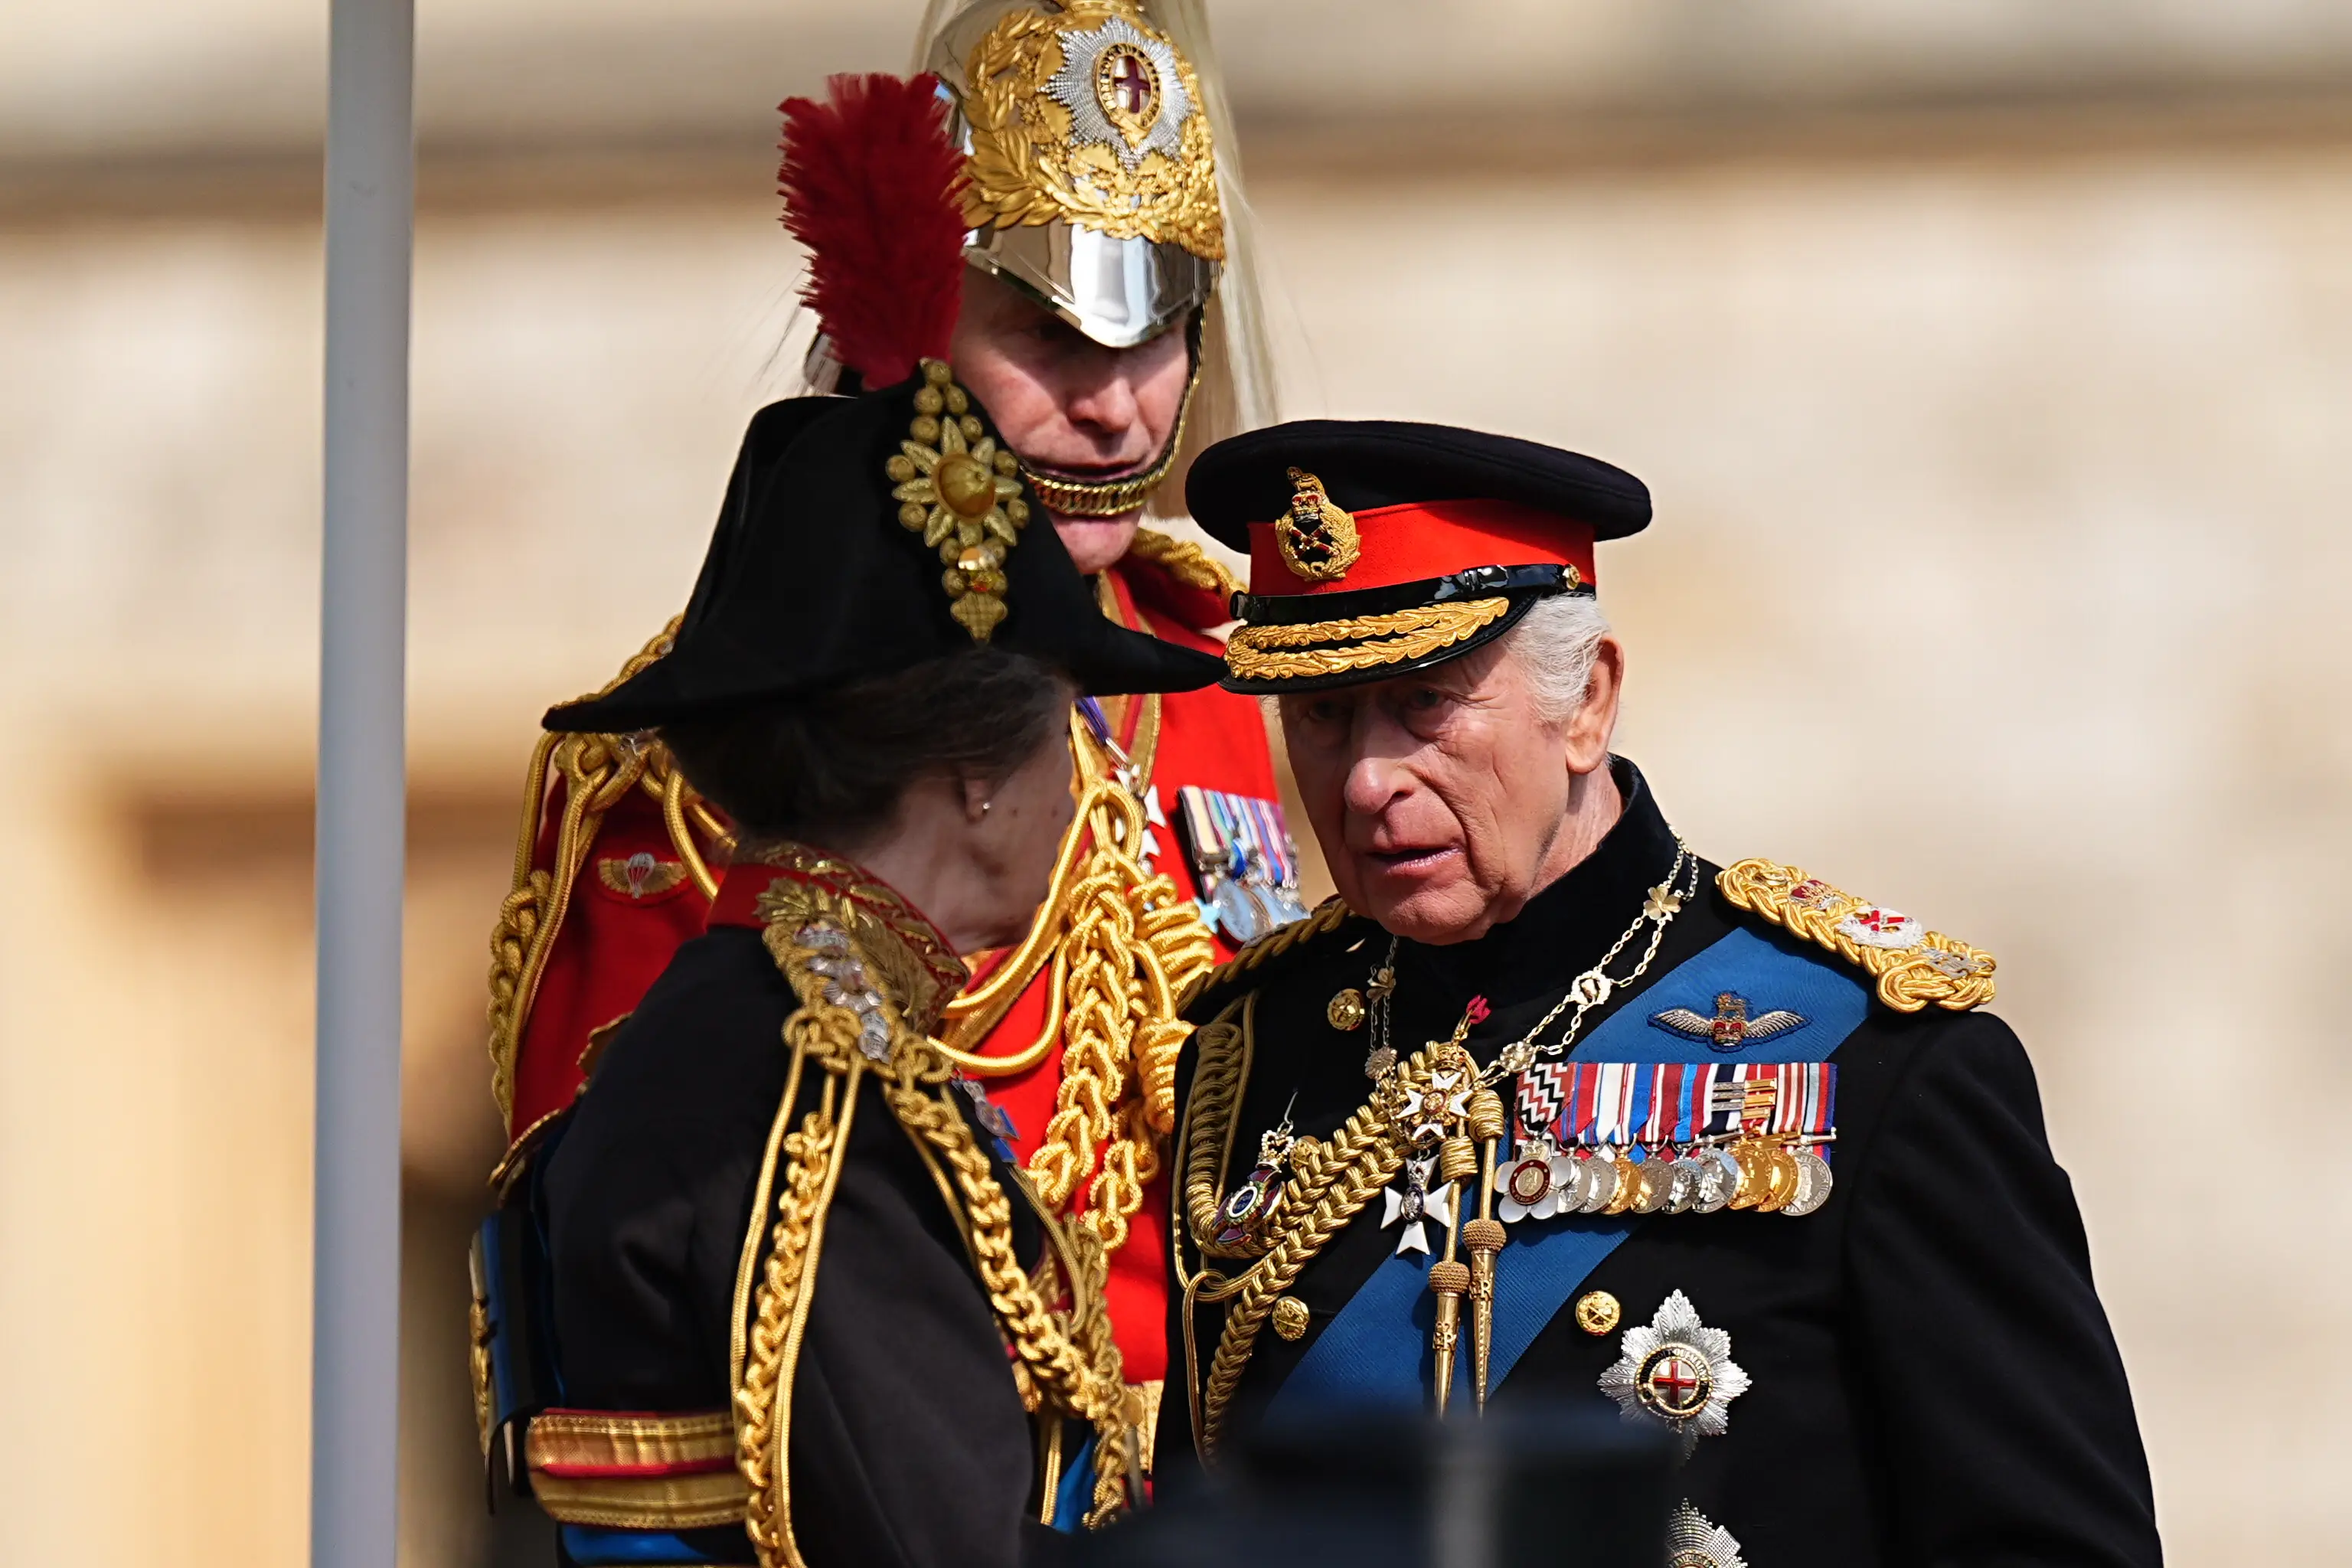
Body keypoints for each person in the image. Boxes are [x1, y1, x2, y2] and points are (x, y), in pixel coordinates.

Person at [480, 5, 1289, 1459]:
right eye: (1051, 337)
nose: (1116, 410)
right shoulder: (705, 753)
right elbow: (638, 1265)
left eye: (1160, 337)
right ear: (914, 336)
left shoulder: (1231, 672)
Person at [1153, 423, 2164, 1567]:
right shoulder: (1254, 1047)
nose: (1367, 781)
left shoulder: (1876, 1060)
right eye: (1323, 715)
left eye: (1425, 703)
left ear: (1587, 703)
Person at [474, 360, 1226, 1568]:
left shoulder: (744, 1028)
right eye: (1062, 730)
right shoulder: (815, 1090)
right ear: (978, 776)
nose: (1080, 791)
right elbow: (939, 1544)